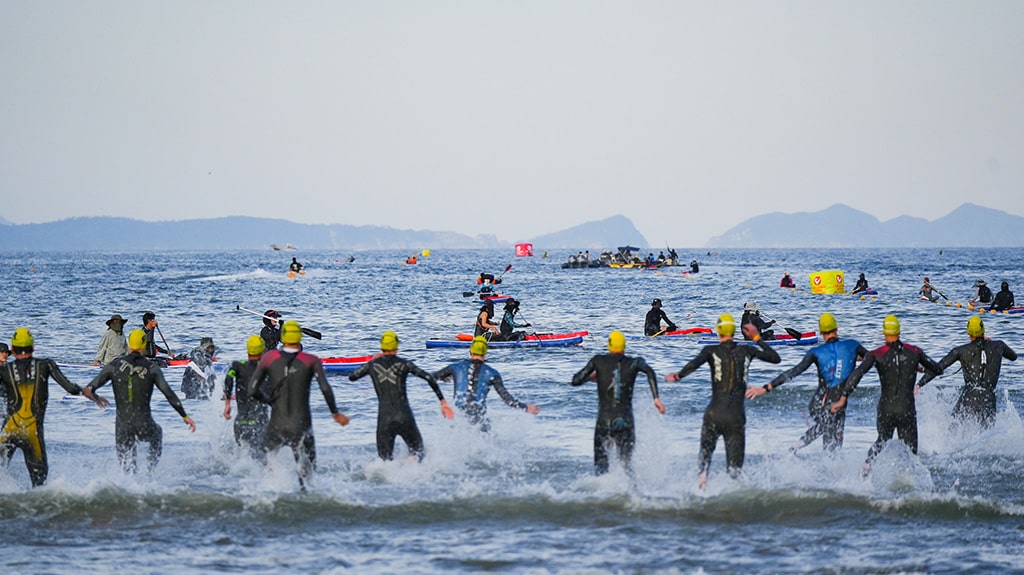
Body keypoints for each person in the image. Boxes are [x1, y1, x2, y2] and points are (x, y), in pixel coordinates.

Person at [666, 315, 780, 488]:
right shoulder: (747, 350)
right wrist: (756, 338)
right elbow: (775, 358)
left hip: (714, 414)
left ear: (718, 330)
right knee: (734, 473)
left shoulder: (710, 351)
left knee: (704, 462)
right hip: (735, 417)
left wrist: (677, 376)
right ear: (735, 331)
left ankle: (702, 480)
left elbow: (693, 365)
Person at [831, 315, 942, 475]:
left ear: (884, 332)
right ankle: (908, 479)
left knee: (882, 440)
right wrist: (919, 368)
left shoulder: (876, 354)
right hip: (906, 409)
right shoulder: (914, 351)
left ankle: (866, 468)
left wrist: (843, 398)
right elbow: (938, 369)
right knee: (911, 452)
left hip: (886, 408)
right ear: (899, 331)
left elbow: (858, 373)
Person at [1, 328, 108, 486]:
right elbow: (71, 388)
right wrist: (91, 394)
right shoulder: (46, 365)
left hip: (9, 430)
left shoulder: (4, 370)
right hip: (32, 433)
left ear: (12, 349)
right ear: (33, 347)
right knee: (39, 486)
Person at [746, 313, 867, 452]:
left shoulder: (817, 351)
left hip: (824, 402)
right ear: (837, 328)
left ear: (821, 332)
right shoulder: (852, 345)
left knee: (834, 439)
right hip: (824, 402)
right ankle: (794, 449)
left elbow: (794, 371)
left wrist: (765, 388)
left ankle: (799, 451)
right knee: (830, 431)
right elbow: (872, 358)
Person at [248, 321, 349, 486]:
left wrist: (271, 402)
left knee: (266, 468)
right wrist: (335, 413)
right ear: (300, 337)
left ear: (283, 337)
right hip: (301, 424)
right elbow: (325, 388)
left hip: (277, 424)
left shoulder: (269, 358)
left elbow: (252, 390)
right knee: (308, 473)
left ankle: (269, 490)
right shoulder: (311, 360)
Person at [84, 329, 195, 473]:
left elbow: (88, 390)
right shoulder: (152, 368)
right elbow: (169, 394)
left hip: (122, 426)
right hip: (144, 424)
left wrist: (97, 398)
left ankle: (127, 480)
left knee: (127, 468)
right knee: (157, 433)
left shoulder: (114, 366)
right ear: (144, 344)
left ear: (130, 344)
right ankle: (151, 471)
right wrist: (184, 416)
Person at [348, 331, 453, 462]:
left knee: (385, 461)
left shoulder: (372, 365)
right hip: (404, 416)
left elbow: (352, 376)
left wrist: (372, 361)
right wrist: (442, 401)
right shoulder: (404, 364)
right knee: (419, 453)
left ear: (381, 346)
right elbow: (428, 377)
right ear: (396, 346)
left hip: (384, 419)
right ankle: (411, 467)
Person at [572, 331, 666, 475]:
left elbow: (575, 380)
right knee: (626, 465)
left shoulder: (598, 361)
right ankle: (629, 488)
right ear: (624, 346)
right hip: (625, 421)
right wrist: (656, 398)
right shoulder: (634, 362)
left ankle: (602, 487)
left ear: (609, 346)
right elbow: (650, 372)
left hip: (604, 422)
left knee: (601, 467)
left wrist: (591, 378)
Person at [917, 316, 1017, 428]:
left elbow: (938, 368)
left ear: (968, 332)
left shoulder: (960, 351)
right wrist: (992, 345)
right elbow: (1013, 357)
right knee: (987, 434)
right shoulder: (999, 346)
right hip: (988, 399)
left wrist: (919, 385)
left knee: (953, 430)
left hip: (969, 397)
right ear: (983, 330)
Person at [433, 336, 539, 432]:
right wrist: (526, 408)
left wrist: (443, 381)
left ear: (471, 350)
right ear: (485, 352)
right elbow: (507, 399)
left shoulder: (456, 367)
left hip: (459, 417)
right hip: (478, 418)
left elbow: (431, 377)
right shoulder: (492, 373)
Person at [223, 335, 271, 459]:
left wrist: (227, 404)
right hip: (259, 423)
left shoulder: (237, 366)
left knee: (242, 457)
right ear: (263, 351)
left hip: (240, 423)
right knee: (261, 459)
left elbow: (229, 378)